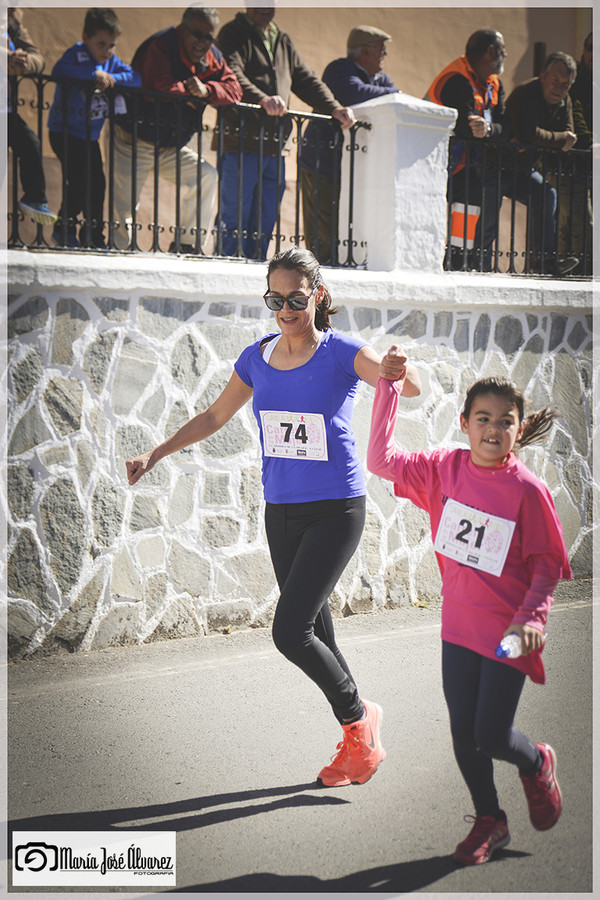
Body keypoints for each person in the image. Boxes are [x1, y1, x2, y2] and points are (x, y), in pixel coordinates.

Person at [125, 247, 421, 786]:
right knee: (318, 631)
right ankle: (358, 743)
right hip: (281, 511)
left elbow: (402, 382)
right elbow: (214, 415)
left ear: (319, 296)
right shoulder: (256, 358)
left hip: (336, 508)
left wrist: (399, 370)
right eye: (276, 299)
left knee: (289, 631)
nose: (286, 309)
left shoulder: (340, 353)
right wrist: (157, 453)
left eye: (297, 299)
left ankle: (360, 719)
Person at [367, 358, 572, 865]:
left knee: (490, 733)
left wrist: (531, 623)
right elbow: (380, 460)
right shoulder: (444, 469)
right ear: (464, 423)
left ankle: (536, 760)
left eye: (505, 420)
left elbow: (548, 568)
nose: (493, 428)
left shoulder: (529, 491)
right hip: (458, 627)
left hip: (513, 628)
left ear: (518, 429)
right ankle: (490, 818)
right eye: (483, 417)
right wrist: (389, 384)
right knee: (464, 733)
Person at [214, 7, 356, 260]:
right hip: (240, 139)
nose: (264, 7)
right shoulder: (233, 33)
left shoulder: (282, 39)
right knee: (235, 214)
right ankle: (227, 264)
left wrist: (333, 106)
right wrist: (262, 99)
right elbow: (231, 74)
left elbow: (305, 78)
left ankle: (256, 266)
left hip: (274, 144)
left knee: (266, 217)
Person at [112, 4, 242, 254]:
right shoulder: (161, 45)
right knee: (125, 203)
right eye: (197, 34)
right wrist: (194, 93)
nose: (202, 42)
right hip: (135, 139)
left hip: (170, 146)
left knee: (206, 175)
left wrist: (207, 91)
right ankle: (121, 252)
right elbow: (161, 85)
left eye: (209, 36)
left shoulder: (213, 55)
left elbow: (234, 90)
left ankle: (186, 244)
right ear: (183, 28)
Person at [298, 25, 399, 265]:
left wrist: (392, 92)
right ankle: (318, 275)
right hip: (322, 164)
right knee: (323, 231)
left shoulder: (380, 78)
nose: (385, 54)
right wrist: (391, 93)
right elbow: (354, 92)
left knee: (348, 229)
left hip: (352, 170)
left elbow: (394, 94)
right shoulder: (339, 69)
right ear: (365, 51)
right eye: (381, 49)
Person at [47, 7, 140, 249]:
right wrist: (92, 75)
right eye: (101, 44)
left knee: (97, 185)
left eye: (112, 45)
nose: (107, 51)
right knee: (79, 181)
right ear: (86, 37)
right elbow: (59, 71)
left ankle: (93, 237)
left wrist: (113, 78)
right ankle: (63, 230)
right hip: (64, 132)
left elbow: (135, 78)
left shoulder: (111, 62)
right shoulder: (75, 54)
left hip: (89, 137)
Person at [424, 29, 508, 271]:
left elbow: (505, 125)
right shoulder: (456, 79)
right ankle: (444, 263)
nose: (506, 53)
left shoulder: (493, 82)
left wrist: (489, 130)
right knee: (438, 214)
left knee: (466, 212)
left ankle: (459, 263)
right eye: (502, 48)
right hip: (438, 162)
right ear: (490, 52)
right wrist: (488, 131)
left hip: (467, 163)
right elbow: (464, 127)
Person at [505, 51, 579, 275]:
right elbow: (531, 134)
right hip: (498, 165)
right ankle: (476, 262)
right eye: (555, 81)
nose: (559, 89)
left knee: (548, 195)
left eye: (565, 84)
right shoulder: (527, 92)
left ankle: (544, 262)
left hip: (525, 168)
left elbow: (571, 136)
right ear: (542, 76)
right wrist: (556, 140)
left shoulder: (564, 101)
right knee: (488, 212)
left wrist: (541, 141)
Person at [6, 7, 58, 227]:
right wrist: (7, 57)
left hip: (5, 110)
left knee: (30, 143)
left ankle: (34, 199)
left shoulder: (13, 24)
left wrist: (24, 62)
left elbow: (38, 58)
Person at [568, 33, 593, 274]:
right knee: (582, 221)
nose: (593, 54)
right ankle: (584, 271)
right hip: (577, 161)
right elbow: (575, 114)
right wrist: (591, 143)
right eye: (590, 48)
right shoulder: (574, 77)